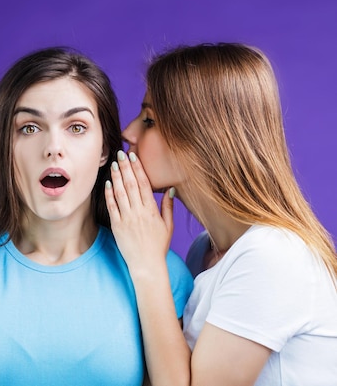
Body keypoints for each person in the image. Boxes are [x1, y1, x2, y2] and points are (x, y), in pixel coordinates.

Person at [0, 47, 193, 386]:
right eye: (30, 128)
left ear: (104, 148)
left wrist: (149, 269)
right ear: (4, 145)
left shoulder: (160, 272)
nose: (53, 147)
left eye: (76, 127)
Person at [105, 42, 337, 386]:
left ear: (202, 139)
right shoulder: (206, 250)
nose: (128, 132)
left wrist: (147, 264)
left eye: (149, 120)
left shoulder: (272, 256)